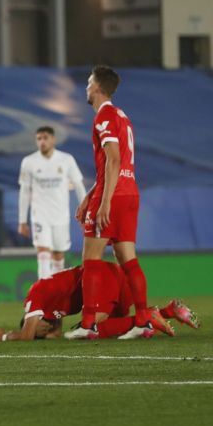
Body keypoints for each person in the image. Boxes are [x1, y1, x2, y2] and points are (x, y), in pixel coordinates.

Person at [66, 65, 152, 340]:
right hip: (129, 193)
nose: (86, 87)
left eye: (89, 83)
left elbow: (113, 159)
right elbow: (113, 165)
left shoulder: (103, 116)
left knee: (90, 259)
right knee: (128, 259)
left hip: (113, 197)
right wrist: (90, 196)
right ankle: (142, 321)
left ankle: (88, 324)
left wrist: (103, 204)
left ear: (98, 88)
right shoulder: (121, 116)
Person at [0, 263, 200, 342]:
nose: (45, 329)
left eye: (39, 328)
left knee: (90, 330)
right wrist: (46, 335)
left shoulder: (33, 296)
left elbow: (27, 336)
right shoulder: (53, 315)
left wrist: (6, 336)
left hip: (98, 278)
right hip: (113, 277)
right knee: (114, 329)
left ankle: (152, 317)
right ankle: (168, 311)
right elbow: (55, 335)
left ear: (30, 317)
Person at [18, 126, 86, 279]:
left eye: (45, 138)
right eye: (39, 139)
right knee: (43, 252)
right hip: (40, 215)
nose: (42, 142)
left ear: (53, 140)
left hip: (60, 215)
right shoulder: (29, 162)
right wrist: (22, 220)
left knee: (58, 255)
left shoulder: (66, 160)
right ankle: (43, 297)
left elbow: (79, 185)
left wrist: (85, 210)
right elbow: (25, 191)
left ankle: (56, 296)